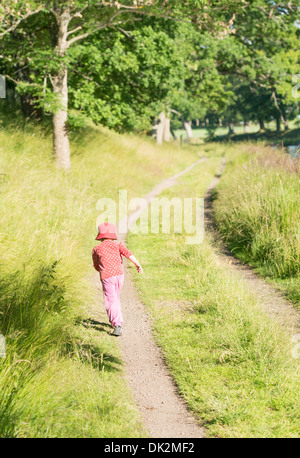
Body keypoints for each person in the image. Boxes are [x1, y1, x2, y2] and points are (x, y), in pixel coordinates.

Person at [92, 222, 143, 336]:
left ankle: (117, 324)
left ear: (100, 235)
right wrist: (137, 264)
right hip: (120, 275)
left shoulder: (96, 249)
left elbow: (96, 265)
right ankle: (116, 318)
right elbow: (128, 254)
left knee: (110, 299)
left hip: (107, 276)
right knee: (115, 297)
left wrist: (101, 269)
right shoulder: (118, 245)